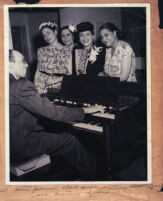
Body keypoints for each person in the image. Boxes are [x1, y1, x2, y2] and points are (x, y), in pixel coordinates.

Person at [9, 49, 105, 180]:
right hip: (19, 147)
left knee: (51, 129)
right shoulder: (21, 86)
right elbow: (52, 112)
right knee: (69, 140)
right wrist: (85, 110)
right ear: (10, 64)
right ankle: (96, 177)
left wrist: (50, 107)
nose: (26, 65)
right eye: (23, 61)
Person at [34, 21, 72, 94]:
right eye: (44, 35)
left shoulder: (66, 50)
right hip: (41, 85)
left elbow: (69, 73)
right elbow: (38, 71)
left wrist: (55, 80)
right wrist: (36, 86)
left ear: (55, 32)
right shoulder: (40, 50)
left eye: (48, 33)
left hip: (58, 85)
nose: (46, 37)